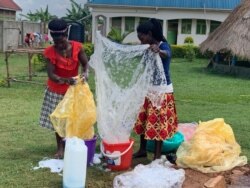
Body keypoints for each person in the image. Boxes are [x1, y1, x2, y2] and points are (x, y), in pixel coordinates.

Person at [39, 18, 89, 159]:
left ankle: (72, 144)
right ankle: (60, 148)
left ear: (66, 33)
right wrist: (66, 80)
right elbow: (51, 74)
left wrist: (85, 74)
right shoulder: (50, 52)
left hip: (74, 90)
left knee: (73, 118)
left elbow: (85, 65)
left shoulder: (77, 47)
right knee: (59, 119)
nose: (58, 44)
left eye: (60, 40)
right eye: (55, 40)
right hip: (56, 90)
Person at [133, 18, 178, 160]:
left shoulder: (163, 45)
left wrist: (158, 51)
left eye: (142, 37)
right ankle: (142, 149)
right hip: (149, 90)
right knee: (144, 120)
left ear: (150, 33)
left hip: (162, 91)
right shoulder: (147, 47)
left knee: (158, 123)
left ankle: (157, 156)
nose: (141, 41)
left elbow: (167, 54)